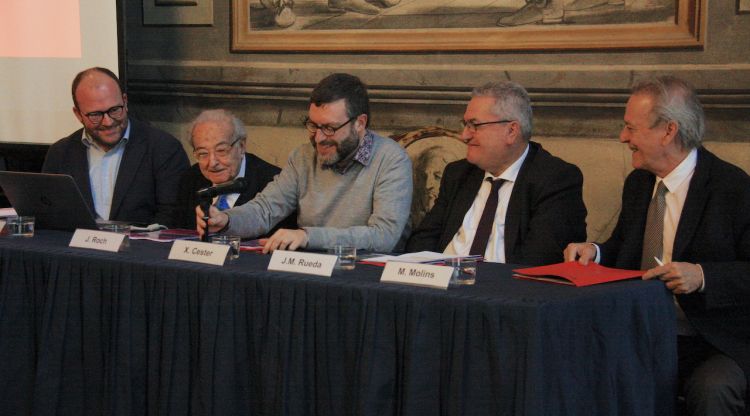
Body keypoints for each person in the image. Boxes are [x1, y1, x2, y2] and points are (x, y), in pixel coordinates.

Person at [564, 76, 749, 416]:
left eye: (630, 128)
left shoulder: (732, 187)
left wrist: (702, 275)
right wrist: (595, 251)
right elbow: (624, 245)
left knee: (713, 390)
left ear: (668, 131)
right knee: (574, 362)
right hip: (642, 330)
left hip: (713, 341)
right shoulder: (639, 183)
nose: (623, 138)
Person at [198, 73, 412, 253]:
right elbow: (265, 210)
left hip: (365, 275)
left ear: (359, 123)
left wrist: (307, 236)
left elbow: (383, 237)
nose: (318, 138)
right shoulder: (303, 156)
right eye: (313, 125)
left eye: (329, 128)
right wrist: (226, 221)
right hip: (308, 270)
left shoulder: (391, 160)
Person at [406, 81, 587, 265]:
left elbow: (540, 260)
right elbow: (422, 241)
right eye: (465, 124)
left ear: (511, 131)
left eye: (474, 125)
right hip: (441, 283)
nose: (464, 135)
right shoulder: (458, 174)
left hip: (505, 289)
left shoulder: (555, 179)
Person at [42, 67, 189, 227]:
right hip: (76, 249)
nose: (108, 122)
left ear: (125, 102)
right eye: (96, 115)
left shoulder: (164, 148)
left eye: (114, 110)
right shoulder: (60, 153)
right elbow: (49, 214)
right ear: (78, 114)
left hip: (139, 249)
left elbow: (174, 217)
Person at [175, 109, 294, 232]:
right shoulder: (190, 179)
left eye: (221, 150)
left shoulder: (274, 182)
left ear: (241, 147)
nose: (212, 162)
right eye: (203, 153)